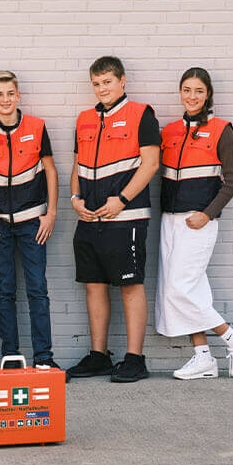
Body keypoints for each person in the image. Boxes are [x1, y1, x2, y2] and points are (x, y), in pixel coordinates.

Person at [156, 67, 233, 379]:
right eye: (187, 90)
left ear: (208, 94)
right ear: (180, 92)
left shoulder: (221, 129)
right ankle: (203, 357)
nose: (192, 96)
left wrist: (208, 213)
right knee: (189, 290)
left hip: (198, 222)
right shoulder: (170, 130)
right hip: (169, 221)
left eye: (198, 91)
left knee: (179, 289)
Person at [68, 56, 160, 383]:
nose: (102, 88)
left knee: (130, 284)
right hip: (89, 219)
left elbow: (150, 164)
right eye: (96, 84)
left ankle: (135, 359)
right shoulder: (84, 119)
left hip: (127, 217)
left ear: (122, 81)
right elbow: (77, 166)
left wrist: (121, 201)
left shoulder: (141, 114)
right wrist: (74, 199)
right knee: (94, 285)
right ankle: (99, 356)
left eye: (107, 82)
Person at [0, 70, 60, 369]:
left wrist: (51, 214)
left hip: (34, 222)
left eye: (10, 94)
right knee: (4, 290)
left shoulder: (36, 126)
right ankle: (11, 357)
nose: (5, 100)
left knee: (37, 290)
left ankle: (44, 359)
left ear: (18, 96)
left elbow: (51, 171)